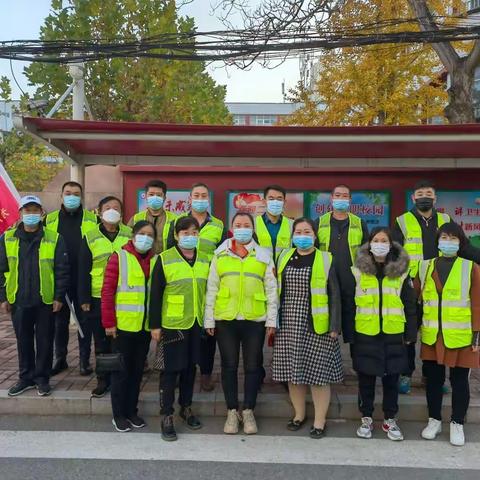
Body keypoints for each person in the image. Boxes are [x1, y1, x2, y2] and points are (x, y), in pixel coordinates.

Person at [393, 180, 480, 394]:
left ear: (435, 198)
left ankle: (432, 376)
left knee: (436, 331)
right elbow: (394, 254)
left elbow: (464, 246)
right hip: (412, 285)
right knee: (409, 332)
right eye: (420, 193)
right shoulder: (402, 221)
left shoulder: (445, 220)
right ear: (413, 198)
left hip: (439, 284)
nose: (424, 196)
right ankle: (406, 373)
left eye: (429, 193)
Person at [204, 212, 278, 435]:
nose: (242, 228)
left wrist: (272, 320)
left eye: (246, 225)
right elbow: (212, 288)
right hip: (225, 319)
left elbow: (272, 289)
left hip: (254, 319)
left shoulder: (263, 255)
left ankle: (248, 411)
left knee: (253, 366)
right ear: (231, 227)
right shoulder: (220, 253)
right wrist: (209, 318)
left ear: (252, 228)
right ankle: (231, 411)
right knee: (229, 366)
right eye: (238, 225)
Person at [272, 218, 343, 439]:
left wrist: (334, 327)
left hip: (316, 325)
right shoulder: (283, 255)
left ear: (314, 235)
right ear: (292, 235)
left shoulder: (325, 258)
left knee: (318, 375)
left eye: (307, 231)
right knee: (293, 374)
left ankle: (320, 420)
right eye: (298, 231)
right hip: (288, 324)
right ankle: (299, 414)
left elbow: (335, 294)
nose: (302, 235)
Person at [414, 223, 480, 447]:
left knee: (460, 381)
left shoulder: (471, 267)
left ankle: (457, 423)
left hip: (461, 336)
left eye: (453, 238)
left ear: (461, 242)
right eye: (444, 237)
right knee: (433, 380)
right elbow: (417, 302)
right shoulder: (424, 267)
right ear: (438, 241)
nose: (448, 242)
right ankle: (434, 420)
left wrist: (476, 335)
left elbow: (478, 304)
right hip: (433, 334)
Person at [349, 227, 417, 441]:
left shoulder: (401, 271)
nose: (379, 243)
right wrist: (350, 333)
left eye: (384, 240)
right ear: (369, 244)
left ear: (391, 245)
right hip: (365, 332)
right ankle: (366, 418)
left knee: (391, 379)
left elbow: (409, 304)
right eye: (376, 240)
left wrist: (411, 332)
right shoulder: (358, 271)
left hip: (393, 332)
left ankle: (390, 419)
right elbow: (350, 304)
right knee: (366, 379)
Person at [0, 195, 69, 397]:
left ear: (41, 213)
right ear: (20, 213)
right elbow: (1, 269)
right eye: (27, 210)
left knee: (45, 341)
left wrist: (59, 296)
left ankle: (42, 378)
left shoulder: (55, 238)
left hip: (45, 300)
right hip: (18, 300)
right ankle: (25, 378)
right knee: (23, 340)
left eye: (35, 210)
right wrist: (3, 298)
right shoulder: (7, 238)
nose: (31, 214)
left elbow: (62, 270)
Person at [149, 216, 210, 442]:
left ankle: (186, 407)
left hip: (197, 324)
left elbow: (209, 292)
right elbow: (155, 295)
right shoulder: (164, 259)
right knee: (170, 371)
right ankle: (167, 414)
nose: (190, 237)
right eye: (185, 233)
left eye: (194, 232)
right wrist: (154, 325)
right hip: (172, 324)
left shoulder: (205, 259)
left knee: (189, 369)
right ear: (176, 235)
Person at [101, 220, 157, 433]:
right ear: (133, 236)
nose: (146, 238)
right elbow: (107, 292)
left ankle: (132, 411)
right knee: (120, 373)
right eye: (142, 233)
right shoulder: (119, 257)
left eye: (150, 235)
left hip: (143, 328)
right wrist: (109, 323)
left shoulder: (155, 260)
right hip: (122, 328)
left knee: (136, 373)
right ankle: (118, 414)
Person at [172, 183, 227, 392]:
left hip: (208, 282)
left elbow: (222, 254)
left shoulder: (218, 225)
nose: (200, 198)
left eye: (204, 195)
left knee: (208, 333)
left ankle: (205, 374)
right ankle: (180, 371)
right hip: (183, 282)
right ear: (190, 198)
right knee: (182, 330)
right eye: (196, 195)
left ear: (209, 199)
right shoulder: (178, 222)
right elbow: (172, 249)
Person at [78, 196, 131, 398]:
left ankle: (119, 377)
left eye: (116, 208)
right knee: (100, 341)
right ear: (99, 212)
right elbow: (83, 269)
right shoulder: (90, 236)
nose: (112, 211)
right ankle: (103, 379)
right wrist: (83, 299)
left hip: (124, 296)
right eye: (107, 207)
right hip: (97, 296)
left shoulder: (129, 234)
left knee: (120, 340)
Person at [44, 181, 98, 376]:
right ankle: (61, 358)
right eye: (68, 193)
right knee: (60, 321)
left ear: (81, 196)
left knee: (85, 320)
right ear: (61, 196)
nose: (72, 196)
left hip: (84, 278)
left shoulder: (93, 219)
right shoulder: (48, 220)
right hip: (59, 279)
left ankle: (84, 360)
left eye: (76, 193)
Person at [315, 185, 369, 350]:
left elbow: (366, 253)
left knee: (354, 325)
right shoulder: (319, 222)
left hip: (352, 281)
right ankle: (326, 364)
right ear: (331, 199)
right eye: (337, 195)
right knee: (327, 322)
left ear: (350, 200)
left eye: (345, 196)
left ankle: (358, 364)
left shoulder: (359, 223)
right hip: (326, 281)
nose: (341, 198)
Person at [128, 180, 177, 255]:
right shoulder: (136, 218)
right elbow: (128, 242)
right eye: (151, 194)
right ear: (146, 196)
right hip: (142, 262)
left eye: (159, 195)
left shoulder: (175, 219)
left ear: (164, 197)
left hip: (165, 262)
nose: (155, 197)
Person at [254, 185, 293, 261]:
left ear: (284, 202)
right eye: (271, 199)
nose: (275, 202)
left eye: (279, 199)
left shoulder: (292, 224)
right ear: (264, 201)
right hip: (262, 269)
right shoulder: (253, 224)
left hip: (283, 269)